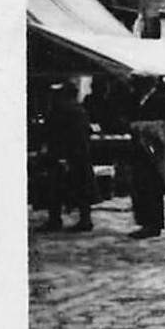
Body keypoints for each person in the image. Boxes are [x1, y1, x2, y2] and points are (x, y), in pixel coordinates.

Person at [41, 81, 95, 232]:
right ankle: (83, 220)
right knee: (78, 188)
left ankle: (60, 221)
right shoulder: (77, 109)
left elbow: (64, 135)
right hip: (75, 155)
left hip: (67, 155)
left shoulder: (65, 110)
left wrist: (62, 156)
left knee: (59, 188)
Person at [126, 76, 165, 239]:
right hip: (139, 149)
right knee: (140, 186)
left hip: (156, 151)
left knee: (153, 187)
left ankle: (153, 224)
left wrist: (142, 127)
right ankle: (144, 221)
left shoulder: (161, 100)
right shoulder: (136, 100)